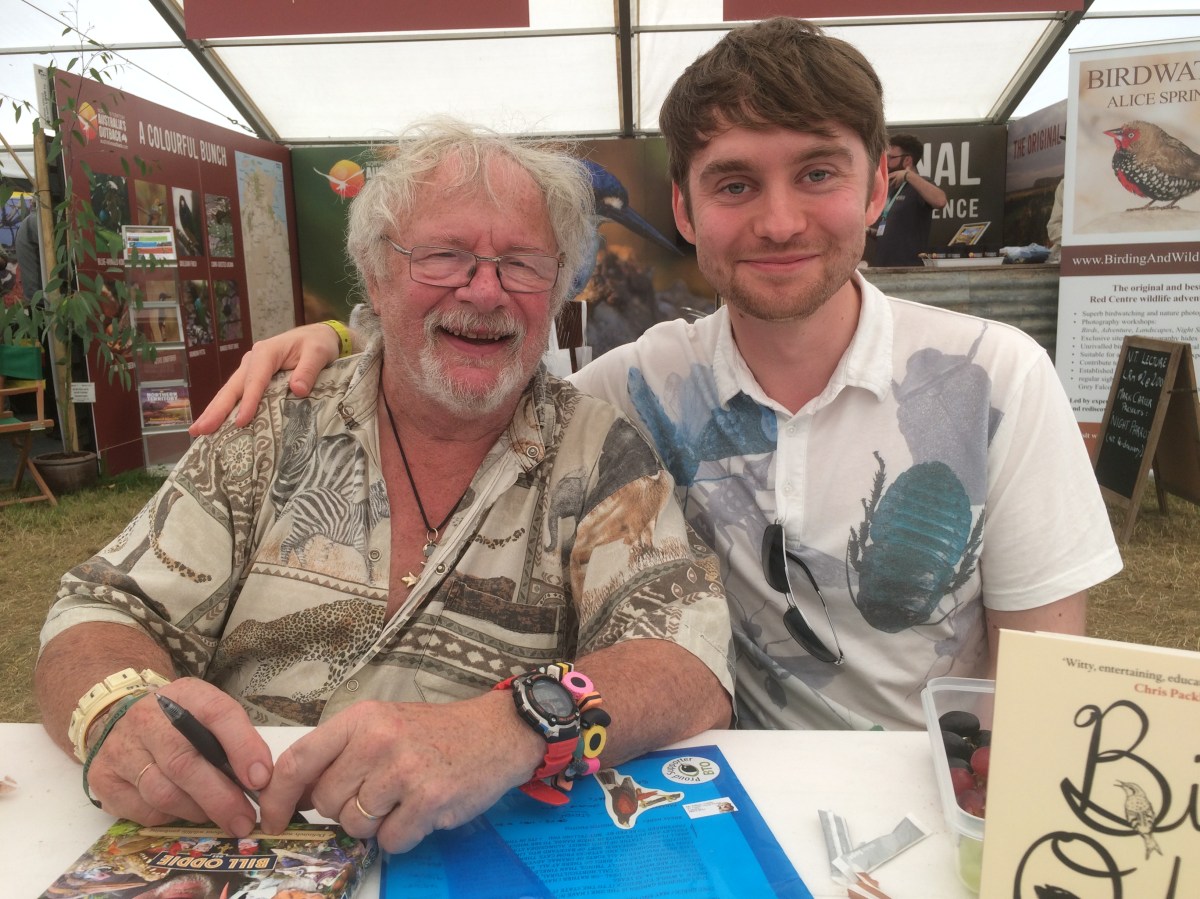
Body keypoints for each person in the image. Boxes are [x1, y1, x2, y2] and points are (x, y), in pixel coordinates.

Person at [191, 18, 1121, 733]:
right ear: (682, 205)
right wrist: (340, 339)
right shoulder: (624, 391)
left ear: (878, 188)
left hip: (926, 801)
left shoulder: (998, 379)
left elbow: (1045, 677)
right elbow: (466, 364)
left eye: (818, 174)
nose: (782, 221)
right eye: (735, 184)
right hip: (700, 800)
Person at [35, 119, 733, 854]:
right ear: (373, 273)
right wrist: (114, 709)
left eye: (523, 264)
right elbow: (102, 606)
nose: (486, 290)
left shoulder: (597, 452)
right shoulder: (273, 422)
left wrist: (514, 724)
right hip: (242, 843)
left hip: (472, 858)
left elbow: (687, 664)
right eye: (444, 256)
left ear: (556, 288)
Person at [867, 132, 948, 266]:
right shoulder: (892, 187)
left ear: (907, 160)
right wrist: (870, 231)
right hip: (883, 267)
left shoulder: (920, 184)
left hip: (908, 270)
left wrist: (909, 175)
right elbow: (892, 235)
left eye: (891, 157)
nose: (886, 162)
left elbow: (941, 201)